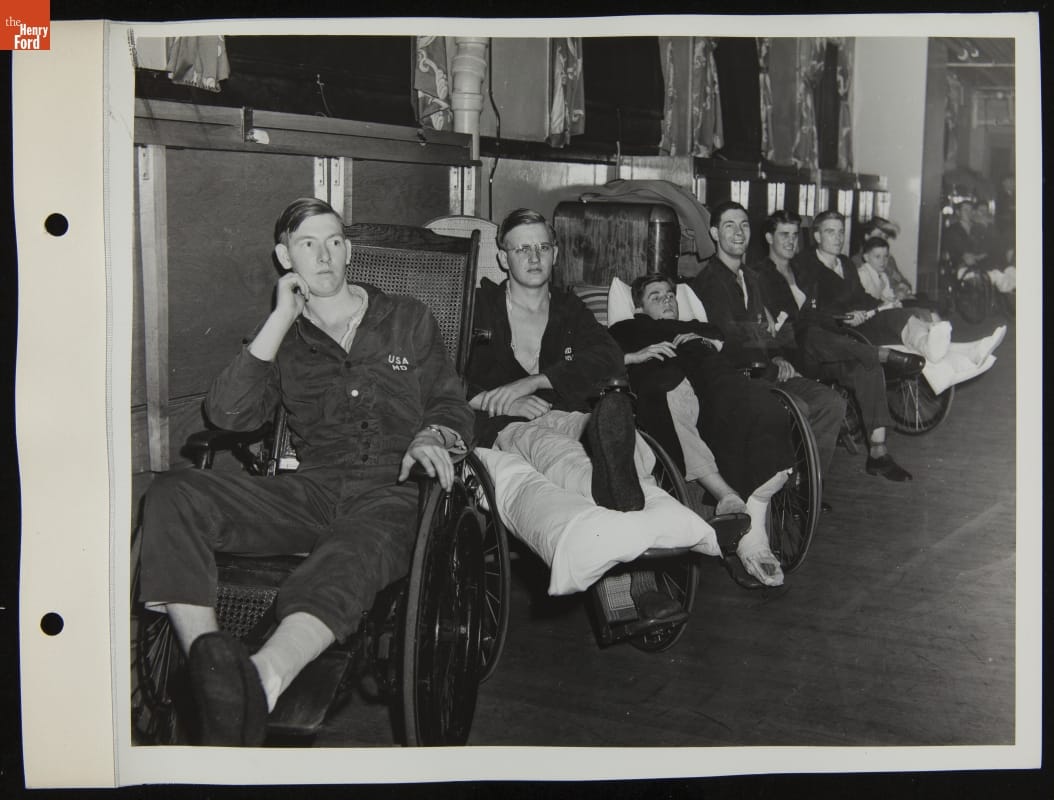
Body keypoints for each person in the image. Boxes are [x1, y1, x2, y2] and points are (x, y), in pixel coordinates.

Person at [137, 198, 474, 746]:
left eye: (335, 241)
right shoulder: (285, 339)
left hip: (393, 489)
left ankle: (263, 679)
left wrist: (431, 433)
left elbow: (450, 401)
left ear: (350, 250)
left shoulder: (406, 317)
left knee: (350, 554)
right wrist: (278, 318)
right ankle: (212, 670)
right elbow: (226, 415)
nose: (325, 255)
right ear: (284, 256)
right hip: (311, 487)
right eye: (308, 244)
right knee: (173, 493)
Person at [465, 208, 739, 604]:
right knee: (557, 452)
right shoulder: (478, 306)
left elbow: (608, 355)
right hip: (507, 426)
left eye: (543, 246)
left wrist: (539, 380)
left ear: (556, 254)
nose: (534, 257)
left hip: (567, 411)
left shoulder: (567, 306)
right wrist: (488, 399)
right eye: (521, 249)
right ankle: (642, 584)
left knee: (617, 444)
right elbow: (435, 368)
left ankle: (620, 490)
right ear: (503, 258)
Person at [609, 273, 794, 587]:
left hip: (712, 383)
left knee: (766, 409)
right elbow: (585, 355)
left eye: (671, 295)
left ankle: (752, 513)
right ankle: (728, 499)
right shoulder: (627, 328)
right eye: (656, 296)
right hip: (664, 381)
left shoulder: (702, 329)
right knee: (671, 392)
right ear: (639, 308)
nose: (668, 300)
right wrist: (631, 356)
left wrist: (709, 342)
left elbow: (734, 347)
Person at [749, 211, 922, 480]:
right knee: (811, 334)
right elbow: (762, 325)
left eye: (795, 235)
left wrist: (839, 319)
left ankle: (878, 453)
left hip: (822, 348)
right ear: (769, 237)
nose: (791, 241)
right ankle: (879, 353)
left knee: (867, 366)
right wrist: (775, 357)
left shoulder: (801, 270)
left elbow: (817, 312)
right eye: (784, 235)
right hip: (792, 351)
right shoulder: (758, 275)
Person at [686, 201, 846, 486]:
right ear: (713, 233)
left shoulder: (752, 277)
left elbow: (771, 333)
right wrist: (767, 347)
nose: (738, 232)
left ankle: (806, 485)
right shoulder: (709, 282)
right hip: (738, 378)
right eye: (729, 225)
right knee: (801, 407)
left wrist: (777, 357)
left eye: (744, 225)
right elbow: (729, 337)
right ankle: (782, 483)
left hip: (767, 369)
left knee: (831, 402)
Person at [797, 210, 1006, 366]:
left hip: (864, 320)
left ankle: (969, 351)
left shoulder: (845, 263)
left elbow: (861, 296)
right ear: (817, 236)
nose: (838, 238)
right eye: (830, 232)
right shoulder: (808, 266)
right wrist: (844, 316)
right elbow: (810, 311)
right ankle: (966, 351)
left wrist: (882, 304)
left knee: (910, 313)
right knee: (901, 320)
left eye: (841, 232)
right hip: (842, 331)